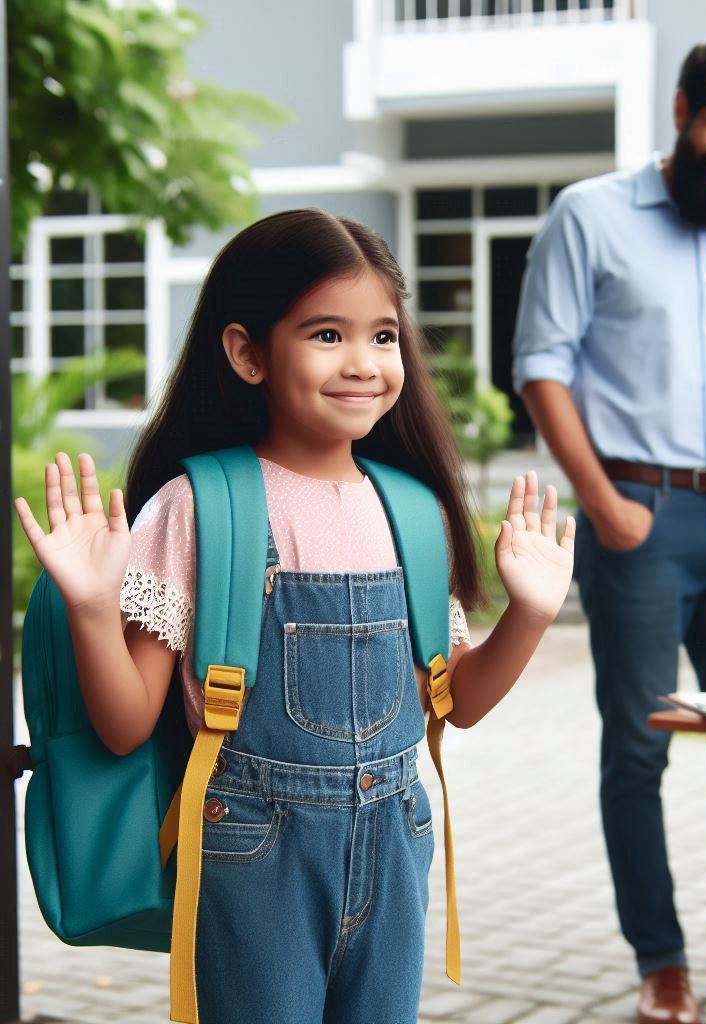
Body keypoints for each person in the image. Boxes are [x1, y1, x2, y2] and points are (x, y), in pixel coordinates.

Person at [15, 209, 576, 1024]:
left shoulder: (412, 511)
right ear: (246, 353)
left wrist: (530, 615)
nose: (364, 363)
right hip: (249, 856)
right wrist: (96, 608)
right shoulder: (198, 508)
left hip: (396, 844)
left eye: (383, 336)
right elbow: (126, 725)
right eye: (326, 334)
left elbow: (452, 704)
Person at [512, 32, 706, 1023]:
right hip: (636, 511)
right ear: (680, 112)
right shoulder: (587, 215)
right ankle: (661, 960)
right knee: (636, 744)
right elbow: (540, 366)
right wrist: (602, 504)